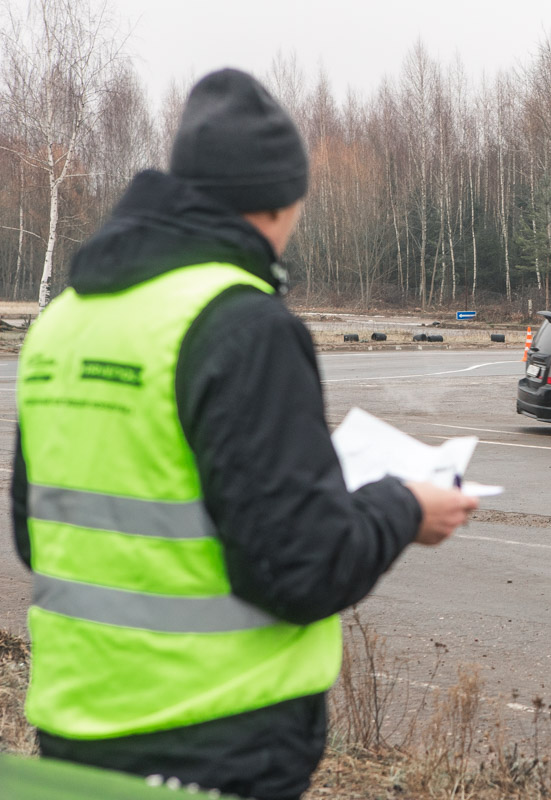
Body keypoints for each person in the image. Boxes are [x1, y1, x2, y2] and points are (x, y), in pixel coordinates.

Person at [9, 68, 477, 800]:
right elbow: (300, 569)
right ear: (281, 201)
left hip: (76, 725)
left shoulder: (63, 320)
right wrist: (406, 508)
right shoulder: (243, 325)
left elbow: (40, 534)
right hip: (216, 740)